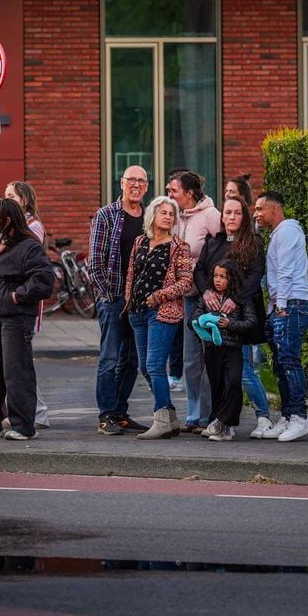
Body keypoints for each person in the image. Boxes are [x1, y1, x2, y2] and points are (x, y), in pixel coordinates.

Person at [0, 198, 55, 440]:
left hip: (17, 315)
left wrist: (17, 296)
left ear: (8, 220)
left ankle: (23, 426)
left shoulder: (30, 246)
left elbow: (44, 280)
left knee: (16, 370)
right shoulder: (4, 244)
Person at [194, 197, 271, 436]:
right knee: (216, 374)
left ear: (244, 217)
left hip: (241, 316)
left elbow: (256, 275)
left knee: (242, 372)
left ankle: (263, 416)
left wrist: (235, 299)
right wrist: (206, 291)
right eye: (228, 212)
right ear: (222, 216)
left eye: (237, 213)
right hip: (213, 316)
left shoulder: (253, 243)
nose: (232, 217)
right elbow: (199, 270)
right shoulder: (213, 242)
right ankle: (221, 422)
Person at [124, 195, 194, 440]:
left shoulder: (179, 247)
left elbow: (186, 282)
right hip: (138, 312)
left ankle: (161, 418)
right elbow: (132, 273)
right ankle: (171, 417)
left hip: (163, 313)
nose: (168, 216)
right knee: (145, 366)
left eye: (172, 213)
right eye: (163, 212)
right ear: (152, 215)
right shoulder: (140, 242)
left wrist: (159, 296)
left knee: (155, 365)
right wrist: (129, 302)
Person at [88, 166, 151, 436]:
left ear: (146, 186)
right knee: (110, 358)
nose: (136, 185)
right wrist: (108, 294)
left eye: (141, 181)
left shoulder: (150, 217)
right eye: (131, 180)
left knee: (132, 360)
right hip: (113, 299)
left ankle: (120, 411)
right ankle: (106, 416)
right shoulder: (106, 215)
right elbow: (94, 262)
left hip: (139, 302)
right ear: (122, 183)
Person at [254, 191, 308, 442]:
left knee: (289, 361)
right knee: (280, 364)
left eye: (260, 209)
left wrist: (280, 306)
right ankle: (289, 415)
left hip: (291, 304)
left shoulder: (288, 231)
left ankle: (301, 417)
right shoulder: (277, 234)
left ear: (275, 209)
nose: (256, 214)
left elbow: (287, 270)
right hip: (281, 305)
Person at [166, 170, 222, 433]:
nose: (169, 195)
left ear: (189, 193)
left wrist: (215, 286)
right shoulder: (174, 217)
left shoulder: (211, 216)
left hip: (207, 296)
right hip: (186, 298)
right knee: (190, 359)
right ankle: (192, 412)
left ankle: (208, 414)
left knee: (209, 353)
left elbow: (223, 251)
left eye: (173, 190)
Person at [190, 259, 259, 442]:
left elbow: (251, 323)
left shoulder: (240, 299)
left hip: (232, 347)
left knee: (234, 382)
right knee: (217, 386)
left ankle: (221, 421)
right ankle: (223, 427)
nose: (217, 280)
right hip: (212, 349)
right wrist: (202, 319)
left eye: (223, 277)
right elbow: (193, 319)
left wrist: (230, 324)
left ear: (232, 278)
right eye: (215, 276)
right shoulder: (207, 298)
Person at [3, 179, 51, 427]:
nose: (6, 199)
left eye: (11, 196)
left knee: (20, 361)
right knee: (17, 360)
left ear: (24, 200)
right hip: (10, 302)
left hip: (24, 303)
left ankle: (36, 412)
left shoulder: (32, 227)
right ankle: (32, 410)